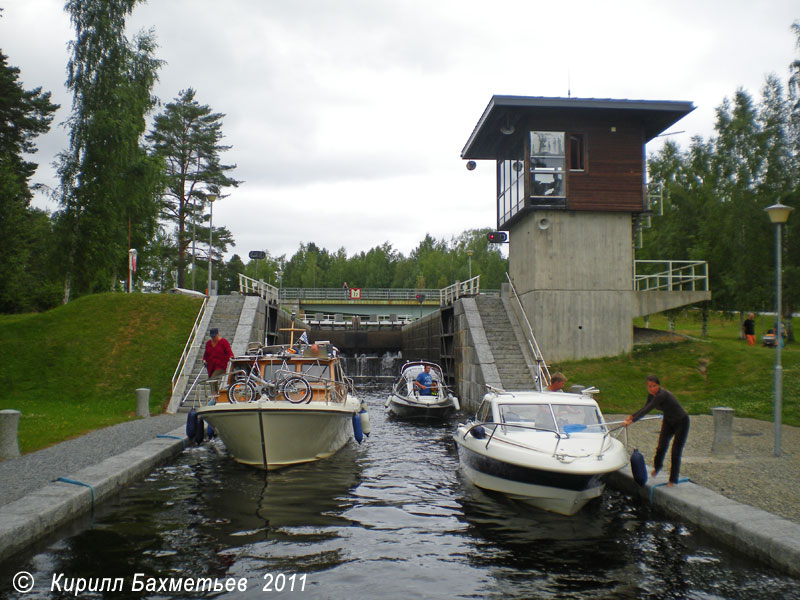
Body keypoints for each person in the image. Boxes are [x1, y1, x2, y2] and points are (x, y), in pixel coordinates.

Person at [622, 375, 689, 487]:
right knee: (661, 447)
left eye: (654, 386)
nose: (652, 389)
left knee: (675, 452)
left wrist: (632, 421)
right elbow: (645, 407)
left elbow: (649, 408)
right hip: (668, 420)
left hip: (681, 421)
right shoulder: (651, 395)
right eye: (649, 386)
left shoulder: (662, 395)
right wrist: (631, 416)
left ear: (658, 385)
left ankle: (673, 479)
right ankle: (657, 467)